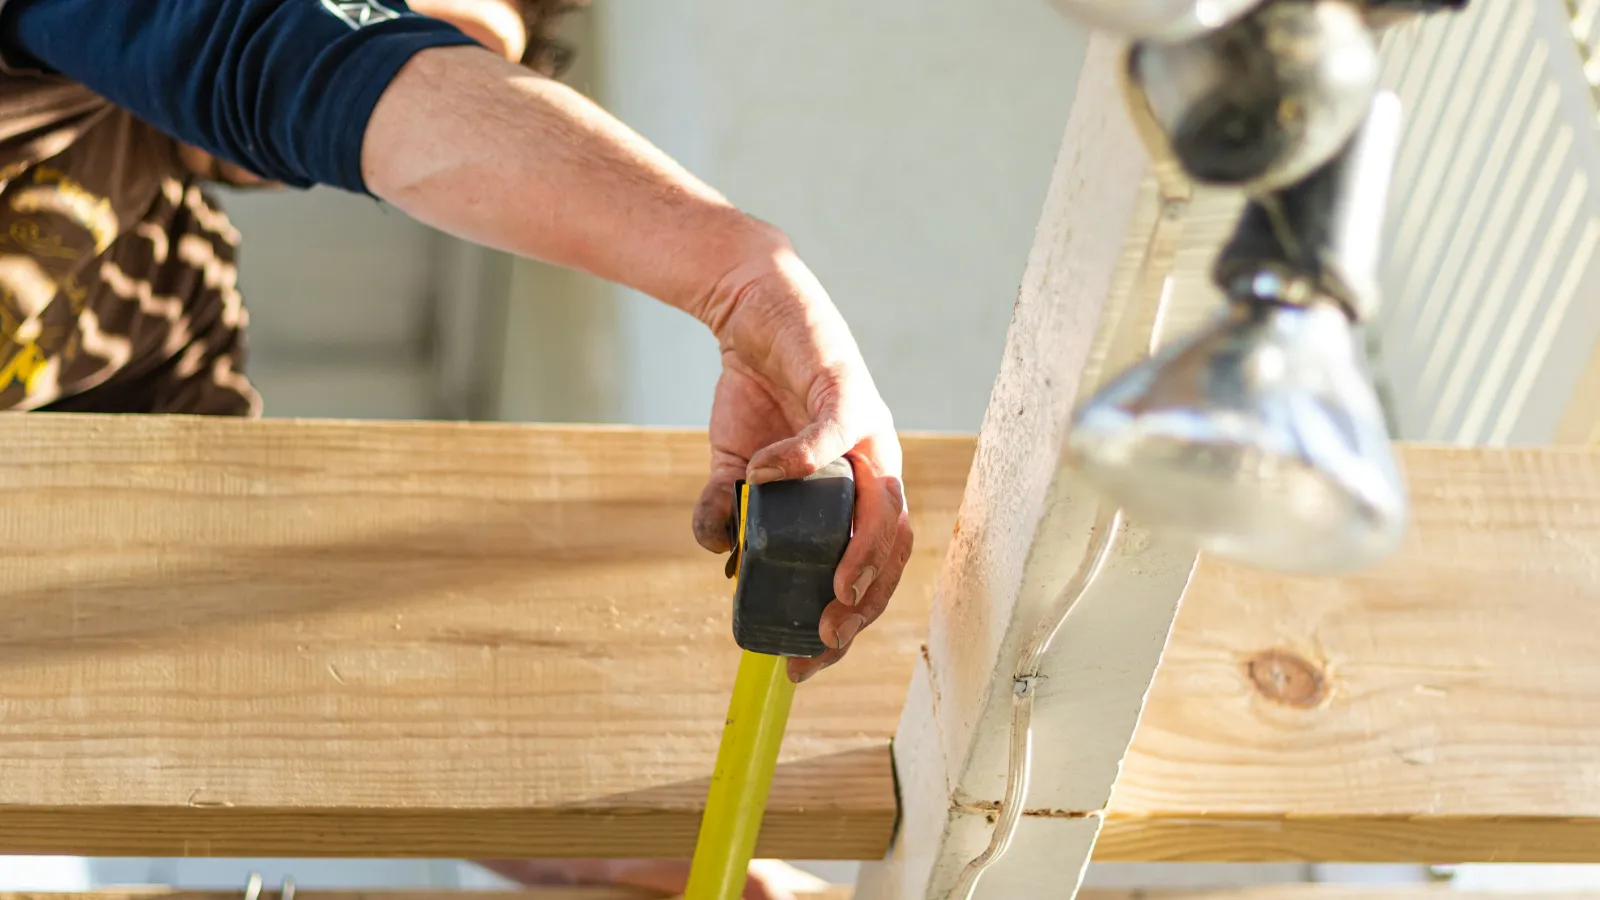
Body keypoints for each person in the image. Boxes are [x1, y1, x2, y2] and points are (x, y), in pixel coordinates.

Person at [0, 0, 913, 897]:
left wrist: (574, 849)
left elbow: (247, 641)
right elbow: (285, 53)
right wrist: (739, 277)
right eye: (396, 24)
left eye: (477, 67)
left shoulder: (160, 293)